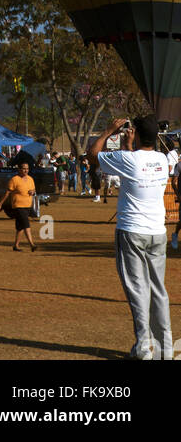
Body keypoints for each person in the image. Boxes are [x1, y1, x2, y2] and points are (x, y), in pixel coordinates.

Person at [88, 115, 173, 360]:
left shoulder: (129, 159)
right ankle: (165, 348)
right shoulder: (162, 159)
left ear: (135, 132)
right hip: (157, 232)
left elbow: (92, 155)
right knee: (158, 290)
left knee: (138, 290)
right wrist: (129, 145)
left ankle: (144, 349)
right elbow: (137, 166)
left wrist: (108, 130)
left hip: (132, 232)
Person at [2, 156, 36, 252]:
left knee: (20, 226)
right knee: (26, 224)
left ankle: (16, 245)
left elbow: (33, 190)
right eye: (24, 169)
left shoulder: (30, 179)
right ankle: (32, 244)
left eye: (27, 169)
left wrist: (32, 192)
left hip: (27, 205)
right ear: (19, 169)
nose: (26, 170)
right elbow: (8, 192)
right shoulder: (14, 179)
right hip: (18, 206)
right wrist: (1, 203)